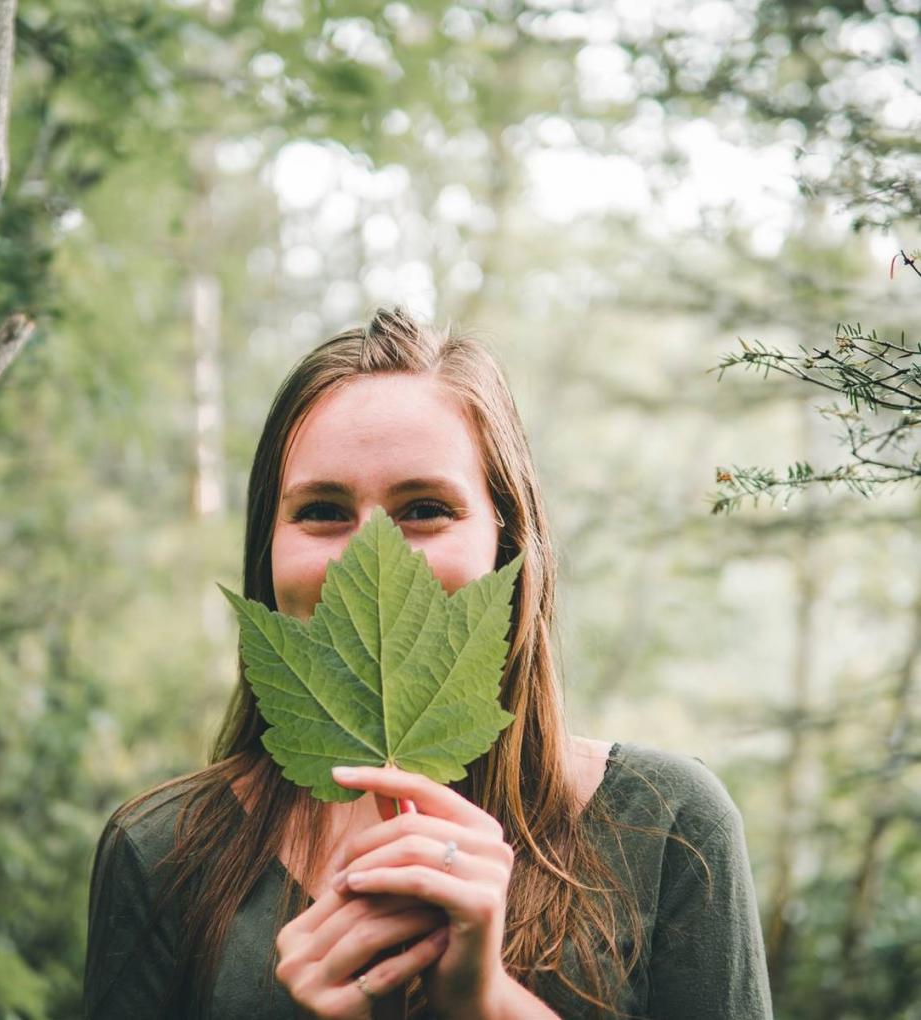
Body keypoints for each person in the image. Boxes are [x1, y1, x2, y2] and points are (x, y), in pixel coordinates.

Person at [84, 306, 773, 1019]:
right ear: (268, 547)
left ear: (507, 541)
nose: (371, 560)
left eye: (424, 508)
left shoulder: (667, 825)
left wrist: (486, 1005)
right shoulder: (162, 850)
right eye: (321, 510)